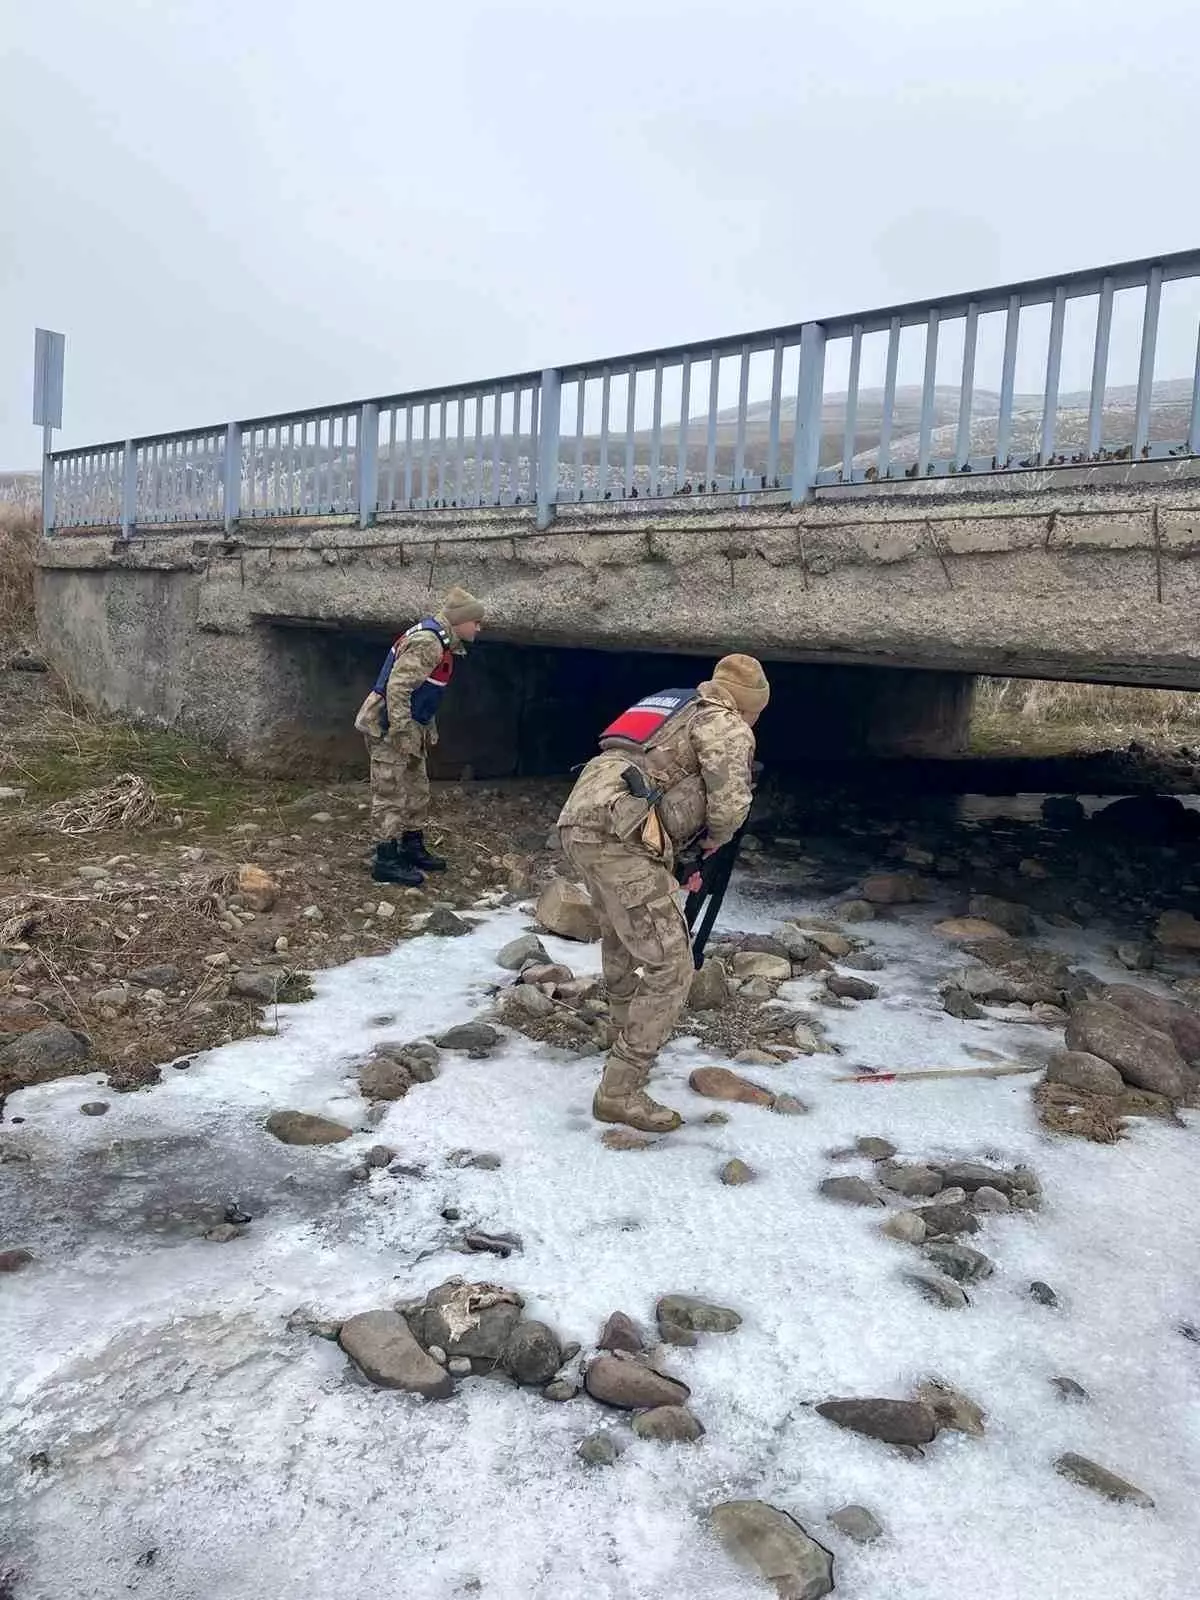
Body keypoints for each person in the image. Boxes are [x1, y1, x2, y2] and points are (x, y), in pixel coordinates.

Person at [556, 654, 769, 1133]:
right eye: (758, 711)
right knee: (672, 966)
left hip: (581, 823)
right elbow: (730, 806)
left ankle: (619, 1028)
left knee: (620, 927)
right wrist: (714, 840)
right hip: (621, 836)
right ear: (750, 703)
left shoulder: (674, 707)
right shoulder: (727, 723)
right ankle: (620, 1090)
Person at [357, 585, 485, 885]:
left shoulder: (442, 641)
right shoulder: (429, 642)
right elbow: (398, 688)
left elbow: (425, 690)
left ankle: (411, 846)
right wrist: (401, 731)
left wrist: (427, 726)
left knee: (416, 788)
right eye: (475, 621)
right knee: (390, 791)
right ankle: (386, 858)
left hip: (413, 725)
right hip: (391, 726)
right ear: (459, 620)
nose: (479, 627)